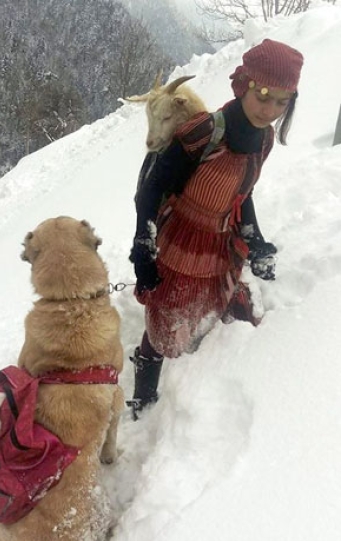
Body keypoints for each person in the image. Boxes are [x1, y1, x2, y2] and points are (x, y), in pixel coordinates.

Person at [128, 38, 304, 416]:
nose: (269, 108)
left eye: (281, 100)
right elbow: (152, 188)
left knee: (212, 303)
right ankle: (143, 397)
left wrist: (254, 241)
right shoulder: (203, 132)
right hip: (181, 239)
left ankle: (206, 358)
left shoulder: (264, 140)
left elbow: (244, 193)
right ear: (243, 85)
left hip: (219, 242)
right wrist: (144, 245)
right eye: (262, 94)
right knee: (166, 318)